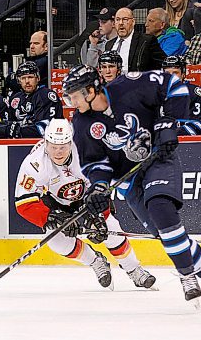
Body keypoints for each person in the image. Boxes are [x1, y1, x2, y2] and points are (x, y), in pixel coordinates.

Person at [62, 64, 201, 306]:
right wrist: (98, 187)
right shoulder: (83, 124)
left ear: (91, 89)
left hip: (158, 158)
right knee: (167, 233)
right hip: (129, 181)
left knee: (161, 208)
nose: (72, 101)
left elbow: (173, 86)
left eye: (74, 95)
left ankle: (186, 274)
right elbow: (95, 163)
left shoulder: (129, 86)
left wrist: (170, 122)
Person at [15, 118, 157, 289]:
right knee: (56, 241)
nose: (58, 152)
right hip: (56, 204)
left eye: (63, 147)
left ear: (71, 142)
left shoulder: (86, 150)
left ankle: (133, 269)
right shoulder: (34, 164)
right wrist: (51, 216)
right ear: (46, 143)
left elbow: (101, 186)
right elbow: (24, 203)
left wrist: (96, 215)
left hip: (88, 197)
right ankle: (95, 261)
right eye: (53, 147)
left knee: (109, 229)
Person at [0, 61, 63, 139]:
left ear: (38, 78)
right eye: (23, 78)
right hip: (19, 144)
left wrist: (17, 130)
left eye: (30, 77)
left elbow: (44, 129)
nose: (27, 81)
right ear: (19, 81)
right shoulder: (15, 99)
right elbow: (9, 125)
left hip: (47, 144)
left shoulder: (46, 96)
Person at [104, 8, 166, 73]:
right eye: (118, 20)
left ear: (133, 22)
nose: (121, 23)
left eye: (125, 19)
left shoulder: (146, 41)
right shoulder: (109, 45)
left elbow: (164, 64)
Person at [162, 56, 201, 135]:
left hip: (189, 144)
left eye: (175, 73)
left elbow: (198, 125)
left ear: (183, 74)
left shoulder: (195, 92)